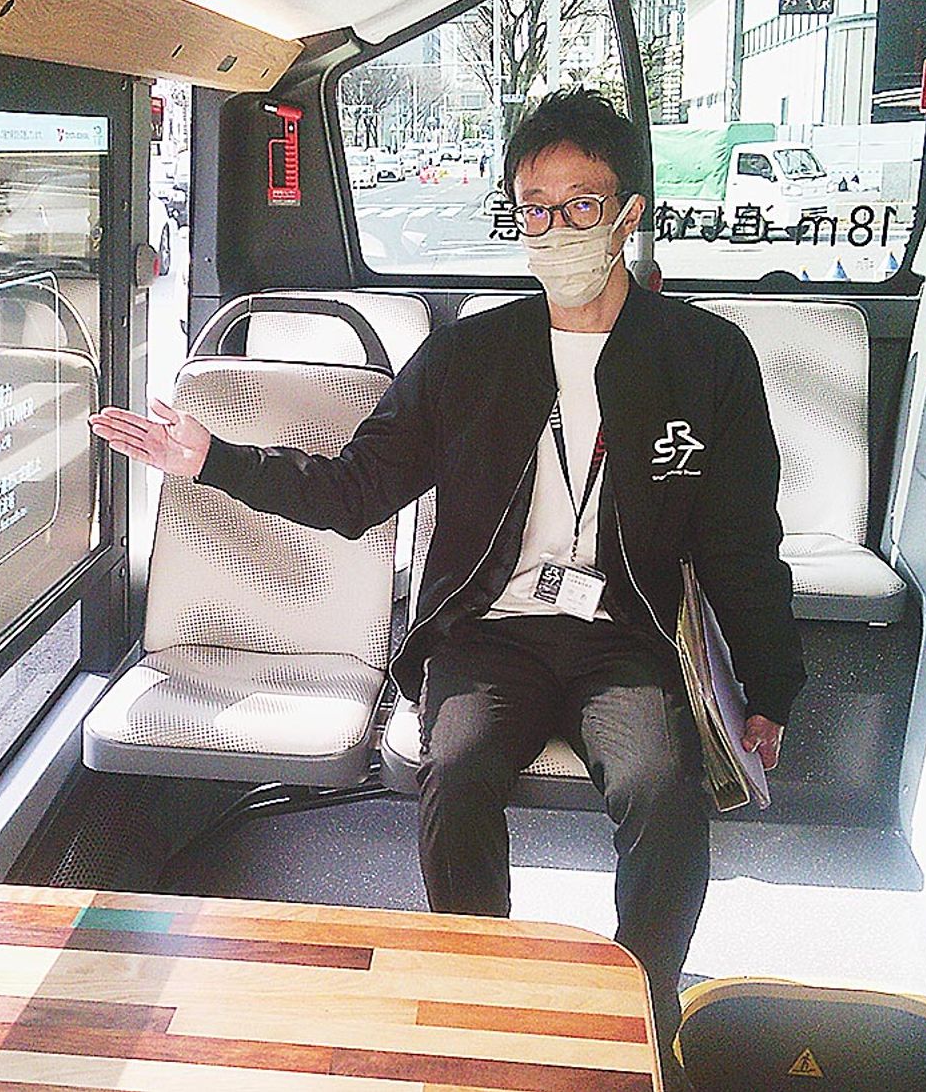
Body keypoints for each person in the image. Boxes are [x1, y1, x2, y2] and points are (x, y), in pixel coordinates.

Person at [89, 88, 805, 1089]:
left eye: (581, 206)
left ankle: (644, 1011)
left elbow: (740, 542)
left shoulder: (704, 358)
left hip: (623, 635)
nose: (556, 229)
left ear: (628, 215)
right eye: (535, 209)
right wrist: (214, 459)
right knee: (456, 776)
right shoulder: (472, 354)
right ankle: (479, 996)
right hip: (487, 633)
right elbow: (355, 489)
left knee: (665, 793)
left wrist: (770, 684)